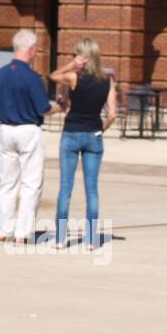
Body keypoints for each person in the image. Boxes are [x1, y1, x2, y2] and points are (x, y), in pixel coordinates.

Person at [0, 29, 63, 245]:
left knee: (6, 183)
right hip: (28, 130)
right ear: (30, 49)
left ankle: (3, 229)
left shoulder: (0, 73)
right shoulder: (32, 77)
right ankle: (22, 232)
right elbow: (43, 108)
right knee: (31, 183)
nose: (35, 53)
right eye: (35, 49)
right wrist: (59, 108)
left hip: (5, 129)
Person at [50, 38, 118, 250]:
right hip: (93, 135)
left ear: (82, 57)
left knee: (65, 188)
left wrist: (71, 65)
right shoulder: (108, 80)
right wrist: (101, 130)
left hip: (71, 134)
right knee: (92, 189)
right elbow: (113, 114)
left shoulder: (73, 76)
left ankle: (60, 239)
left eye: (75, 55)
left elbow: (53, 76)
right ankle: (90, 240)